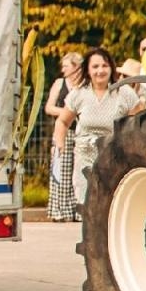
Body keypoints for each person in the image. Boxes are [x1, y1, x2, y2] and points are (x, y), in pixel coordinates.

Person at [52, 47, 139, 207]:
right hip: (85, 157)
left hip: (115, 157)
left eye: (104, 66)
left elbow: (139, 123)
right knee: (88, 206)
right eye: (95, 67)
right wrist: (59, 142)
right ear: (88, 71)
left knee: (111, 206)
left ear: (111, 68)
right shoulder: (79, 94)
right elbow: (62, 122)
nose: (100, 71)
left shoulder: (124, 93)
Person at [43, 51, 85, 222]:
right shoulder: (60, 84)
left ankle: (78, 209)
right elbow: (49, 107)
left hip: (80, 131)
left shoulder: (84, 85)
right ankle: (60, 209)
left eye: (66, 66)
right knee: (62, 168)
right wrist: (68, 112)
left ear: (76, 67)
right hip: (64, 131)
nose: (63, 69)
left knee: (79, 170)